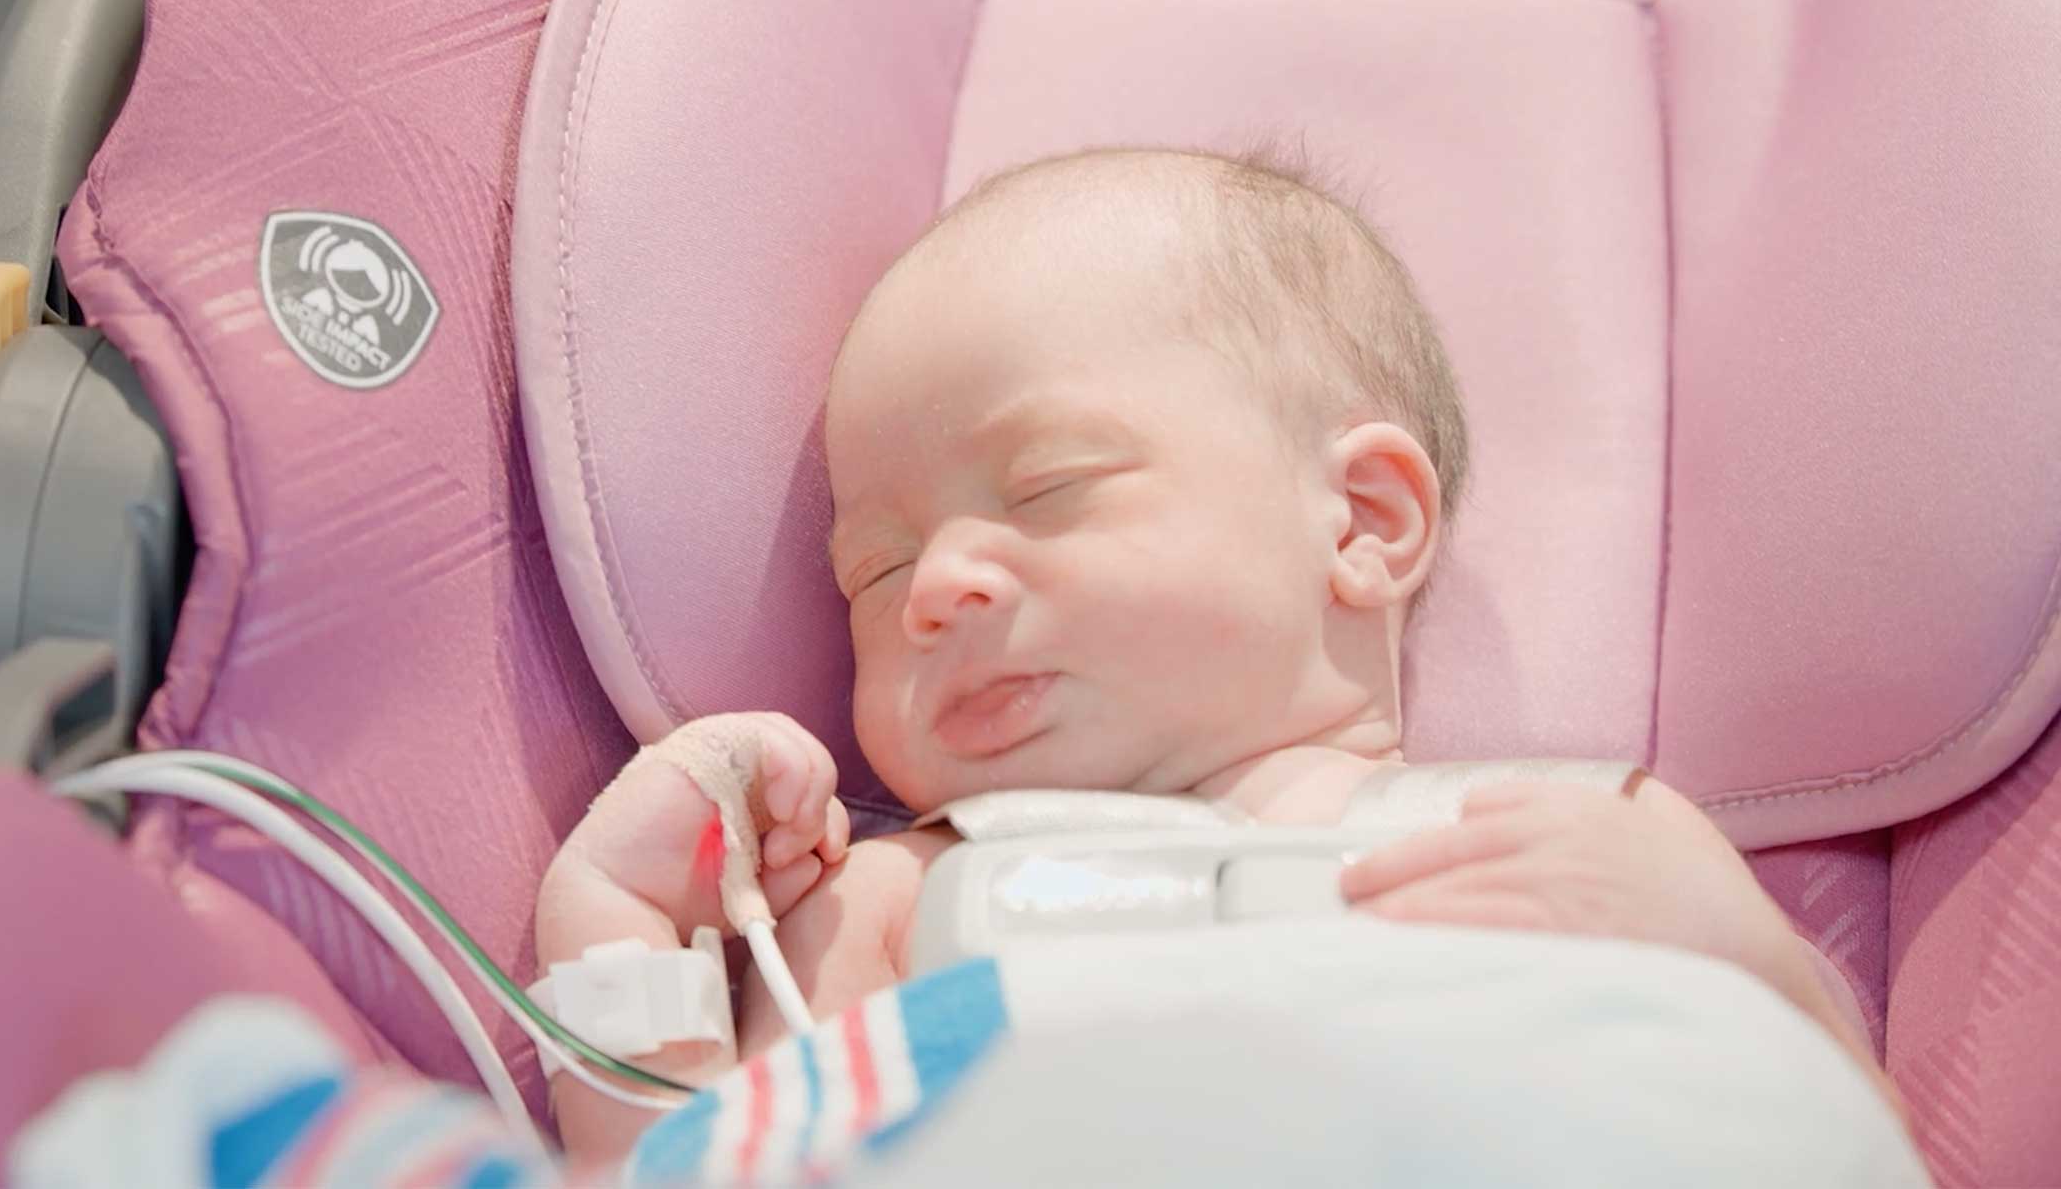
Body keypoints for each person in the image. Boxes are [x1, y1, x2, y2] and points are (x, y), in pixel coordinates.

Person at [535, 147, 1904, 1164]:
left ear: (1363, 521)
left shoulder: (1574, 834)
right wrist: (615, 913)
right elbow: (692, 1162)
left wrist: (1752, 966)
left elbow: (1824, 1124)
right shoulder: (898, 896)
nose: (940, 587)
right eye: (874, 573)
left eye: (1050, 485)